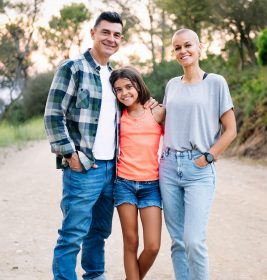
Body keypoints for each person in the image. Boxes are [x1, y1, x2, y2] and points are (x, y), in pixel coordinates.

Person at [44, 11, 157, 280]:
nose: (111, 38)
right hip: (84, 169)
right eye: (105, 32)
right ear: (93, 33)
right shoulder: (72, 68)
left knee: (99, 233)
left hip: (113, 171)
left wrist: (151, 104)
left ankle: (94, 276)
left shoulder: (113, 77)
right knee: (73, 233)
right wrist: (70, 155)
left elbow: (131, 110)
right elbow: (52, 115)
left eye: (117, 34)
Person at [159, 28, 237, 280]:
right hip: (169, 166)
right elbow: (164, 123)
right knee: (178, 241)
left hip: (199, 168)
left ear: (200, 47)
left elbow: (231, 129)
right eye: (178, 48)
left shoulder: (215, 82)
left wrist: (208, 157)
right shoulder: (171, 85)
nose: (183, 51)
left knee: (194, 241)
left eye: (188, 45)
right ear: (174, 53)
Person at [109, 67, 165, 280]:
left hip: (151, 186)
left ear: (138, 86)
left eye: (128, 87)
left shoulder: (157, 111)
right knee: (131, 241)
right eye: (118, 90)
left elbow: (173, 142)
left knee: (152, 245)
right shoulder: (117, 115)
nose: (124, 93)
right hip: (124, 183)